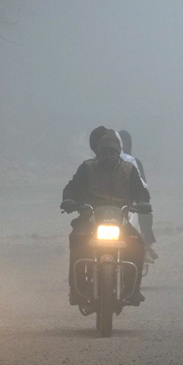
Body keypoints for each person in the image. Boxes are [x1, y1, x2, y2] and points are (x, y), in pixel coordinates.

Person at [61, 129, 150, 306]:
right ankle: (76, 290)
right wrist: (69, 200)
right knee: (77, 240)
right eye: (104, 152)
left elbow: (140, 191)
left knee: (138, 244)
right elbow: (72, 187)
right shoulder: (87, 168)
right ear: (98, 153)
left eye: (112, 152)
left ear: (118, 153)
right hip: (90, 217)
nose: (108, 156)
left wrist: (143, 202)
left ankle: (133, 289)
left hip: (120, 218)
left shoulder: (129, 170)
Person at [119, 130, 158, 263]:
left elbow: (142, 185)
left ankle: (146, 246)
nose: (123, 145)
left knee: (145, 213)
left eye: (125, 142)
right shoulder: (101, 162)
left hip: (130, 201)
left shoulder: (133, 162)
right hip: (109, 201)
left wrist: (142, 200)